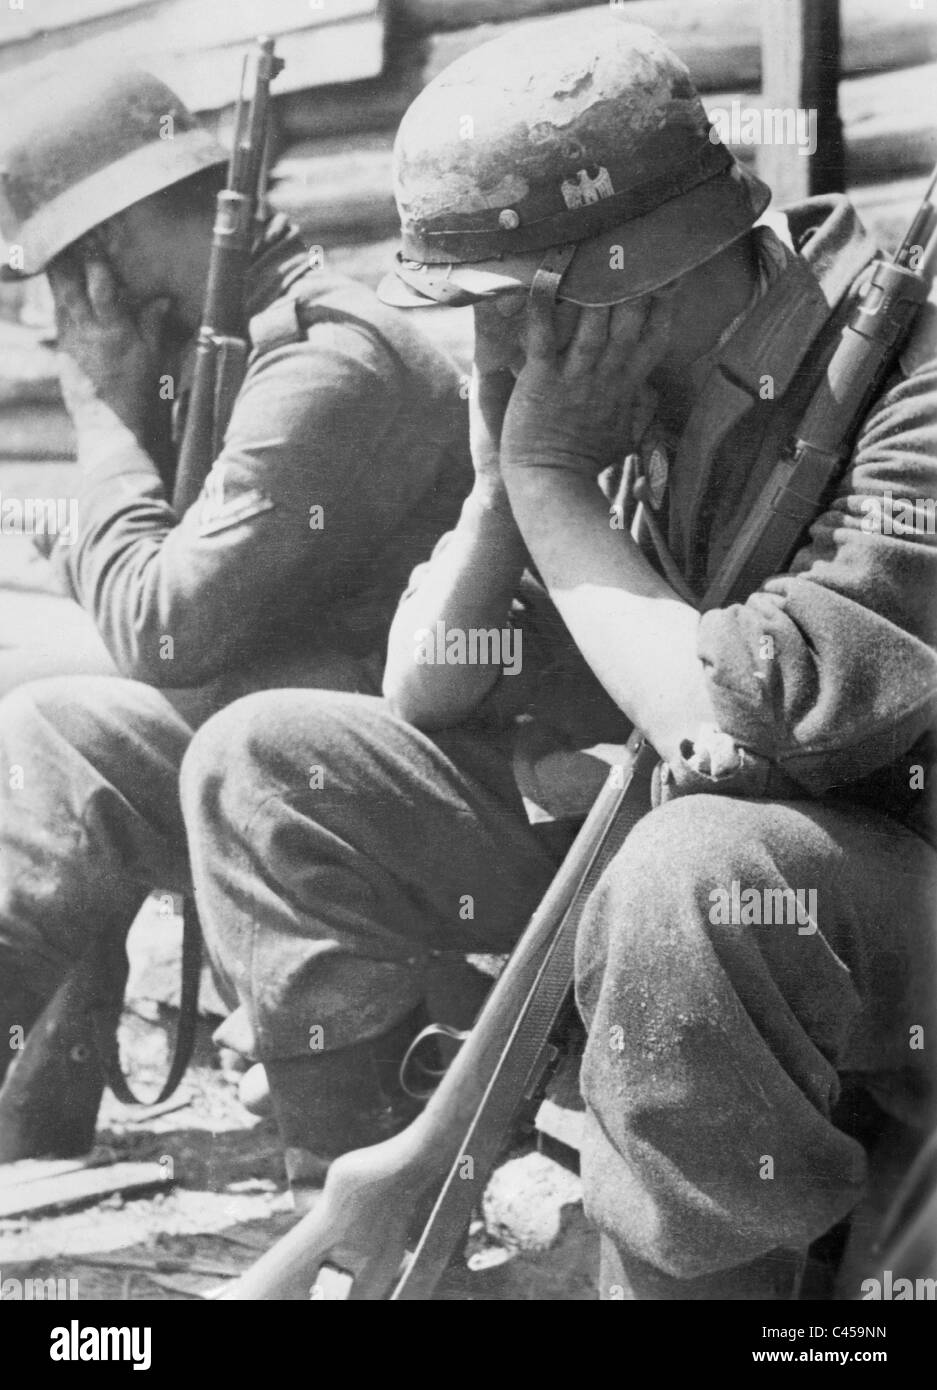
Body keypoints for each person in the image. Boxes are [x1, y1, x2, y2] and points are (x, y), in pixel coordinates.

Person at [180, 13, 937, 1294]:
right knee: (269, 760)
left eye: (497, 312)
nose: (484, 350)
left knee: (692, 877)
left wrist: (547, 477)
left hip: (888, 894)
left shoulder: (900, 373)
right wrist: (501, 486)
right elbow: (429, 683)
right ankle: (385, 1216)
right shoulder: (618, 396)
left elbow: (743, 725)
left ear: (626, 285)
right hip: (732, 856)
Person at [0, 55, 471, 1159]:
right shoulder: (221, 359)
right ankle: (33, 1106)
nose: (55, 318)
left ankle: (339, 1163)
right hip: (310, 726)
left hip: (408, 762)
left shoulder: (324, 363)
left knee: (59, 741)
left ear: (98, 263)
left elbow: (165, 623)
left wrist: (97, 418)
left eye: (60, 279)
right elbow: (141, 581)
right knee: (33, 685)